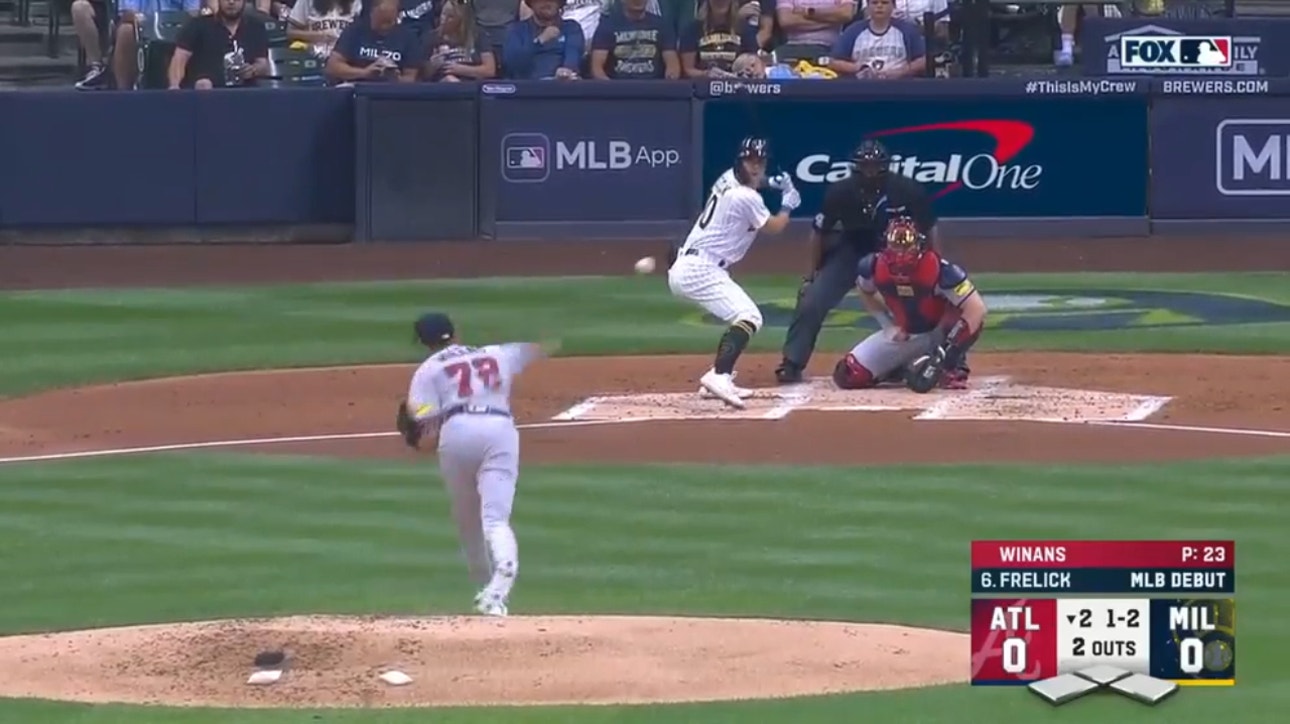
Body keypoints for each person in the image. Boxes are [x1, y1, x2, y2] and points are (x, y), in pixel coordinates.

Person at [396, 312, 554, 617]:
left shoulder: (428, 370)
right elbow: (535, 349)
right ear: (455, 332)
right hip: (499, 429)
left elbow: (425, 426)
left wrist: (415, 441)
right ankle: (499, 587)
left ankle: (484, 590)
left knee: (467, 520)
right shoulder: (496, 353)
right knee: (495, 519)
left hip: (457, 431)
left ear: (424, 342)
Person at [775, 139, 938, 384]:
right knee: (812, 299)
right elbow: (819, 233)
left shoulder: (907, 190)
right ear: (855, 167)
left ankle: (927, 361)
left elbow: (930, 228)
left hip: (895, 255)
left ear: (885, 166)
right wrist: (812, 275)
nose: (870, 172)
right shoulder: (840, 191)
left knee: (919, 304)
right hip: (850, 250)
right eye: (865, 166)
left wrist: (934, 265)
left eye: (875, 166)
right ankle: (792, 362)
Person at [667, 137, 801, 408]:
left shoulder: (727, 178)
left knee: (743, 316)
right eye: (750, 160)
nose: (755, 166)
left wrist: (773, 183)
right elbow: (774, 227)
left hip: (694, 265)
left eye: (760, 161)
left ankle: (718, 375)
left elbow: (756, 181)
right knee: (749, 316)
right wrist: (788, 203)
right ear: (740, 161)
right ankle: (719, 376)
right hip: (701, 269)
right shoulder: (746, 197)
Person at [833, 217, 986, 392]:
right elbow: (864, 290)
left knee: (963, 316)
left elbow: (977, 309)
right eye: (896, 245)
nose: (900, 252)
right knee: (848, 373)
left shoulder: (941, 271)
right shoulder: (873, 267)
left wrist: (944, 352)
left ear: (918, 245)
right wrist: (888, 325)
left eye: (906, 245)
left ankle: (952, 368)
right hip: (907, 333)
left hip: (938, 334)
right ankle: (899, 367)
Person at [168, 0, 270, 89]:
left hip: (244, 93)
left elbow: (263, 64)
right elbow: (180, 58)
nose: (231, 2)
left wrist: (253, 70)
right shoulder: (197, 25)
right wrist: (174, 86)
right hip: (205, 93)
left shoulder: (256, 27)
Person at [325, 0, 422, 83]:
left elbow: (411, 77)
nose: (385, 27)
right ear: (372, 13)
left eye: (389, 22)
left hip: (392, 92)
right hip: (358, 88)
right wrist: (364, 73)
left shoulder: (408, 37)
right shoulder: (355, 31)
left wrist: (396, 79)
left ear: (397, 16)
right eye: (381, 21)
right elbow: (332, 67)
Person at [828, 0, 925, 79]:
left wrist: (903, 71)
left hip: (900, 86)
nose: (879, 6)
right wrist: (858, 68)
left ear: (893, 6)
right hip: (860, 87)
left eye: (884, 2)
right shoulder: (853, 31)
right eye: (874, 3)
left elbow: (923, 60)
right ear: (868, 6)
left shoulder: (907, 30)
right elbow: (833, 62)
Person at [590, 0, 680, 80]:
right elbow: (597, 67)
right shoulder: (607, 26)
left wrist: (670, 80)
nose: (638, 0)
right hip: (618, 88)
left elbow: (672, 62)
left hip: (654, 87)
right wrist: (608, 86)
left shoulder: (662, 25)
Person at [502, 0, 585, 79]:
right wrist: (540, 41)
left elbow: (573, 55)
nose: (546, 3)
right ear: (531, 4)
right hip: (526, 85)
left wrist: (566, 71)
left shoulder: (571, 27)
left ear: (560, 3)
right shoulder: (517, 29)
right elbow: (513, 66)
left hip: (560, 84)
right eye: (540, 0)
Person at [679, 0, 760, 78]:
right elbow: (688, 69)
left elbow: (753, 62)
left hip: (736, 84)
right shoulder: (692, 30)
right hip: (703, 84)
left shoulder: (744, 29)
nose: (720, 1)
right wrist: (705, 74)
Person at [422, 0, 499, 81]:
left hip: (470, 84)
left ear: (461, 20)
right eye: (443, 14)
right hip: (441, 84)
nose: (444, 19)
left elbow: (490, 70)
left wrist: (460, 69)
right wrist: (433, 66)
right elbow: (422, 75)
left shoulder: (478, 35)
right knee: (449, 79)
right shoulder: (431, 37)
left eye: (451, 16)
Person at [287, 0, 363, 61]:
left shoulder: (356, 3)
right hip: (313, 58)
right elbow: (290, 33)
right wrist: (318, 36)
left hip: (345, 58)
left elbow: (363, 34)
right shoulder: (306, 1)